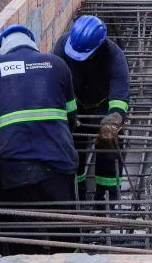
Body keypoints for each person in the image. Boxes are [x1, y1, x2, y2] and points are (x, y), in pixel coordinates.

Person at [0, 25, 79, 206]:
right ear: (33, 43)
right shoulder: (57, 63)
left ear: (1, 50)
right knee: (64, 227)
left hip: (14, 168)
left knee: (21, 229)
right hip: (58, 162)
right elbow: (71, 118)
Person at [51, 16, 130, 206]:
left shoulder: (114, 56)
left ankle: (106, 196)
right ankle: (78, 193)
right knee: (73, 147)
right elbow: (54, 83)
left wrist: (113, 120)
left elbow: (120, 94)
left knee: (108, 144)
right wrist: (65, 113)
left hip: (101, 104)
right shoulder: (63, 47)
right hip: (74, 102)